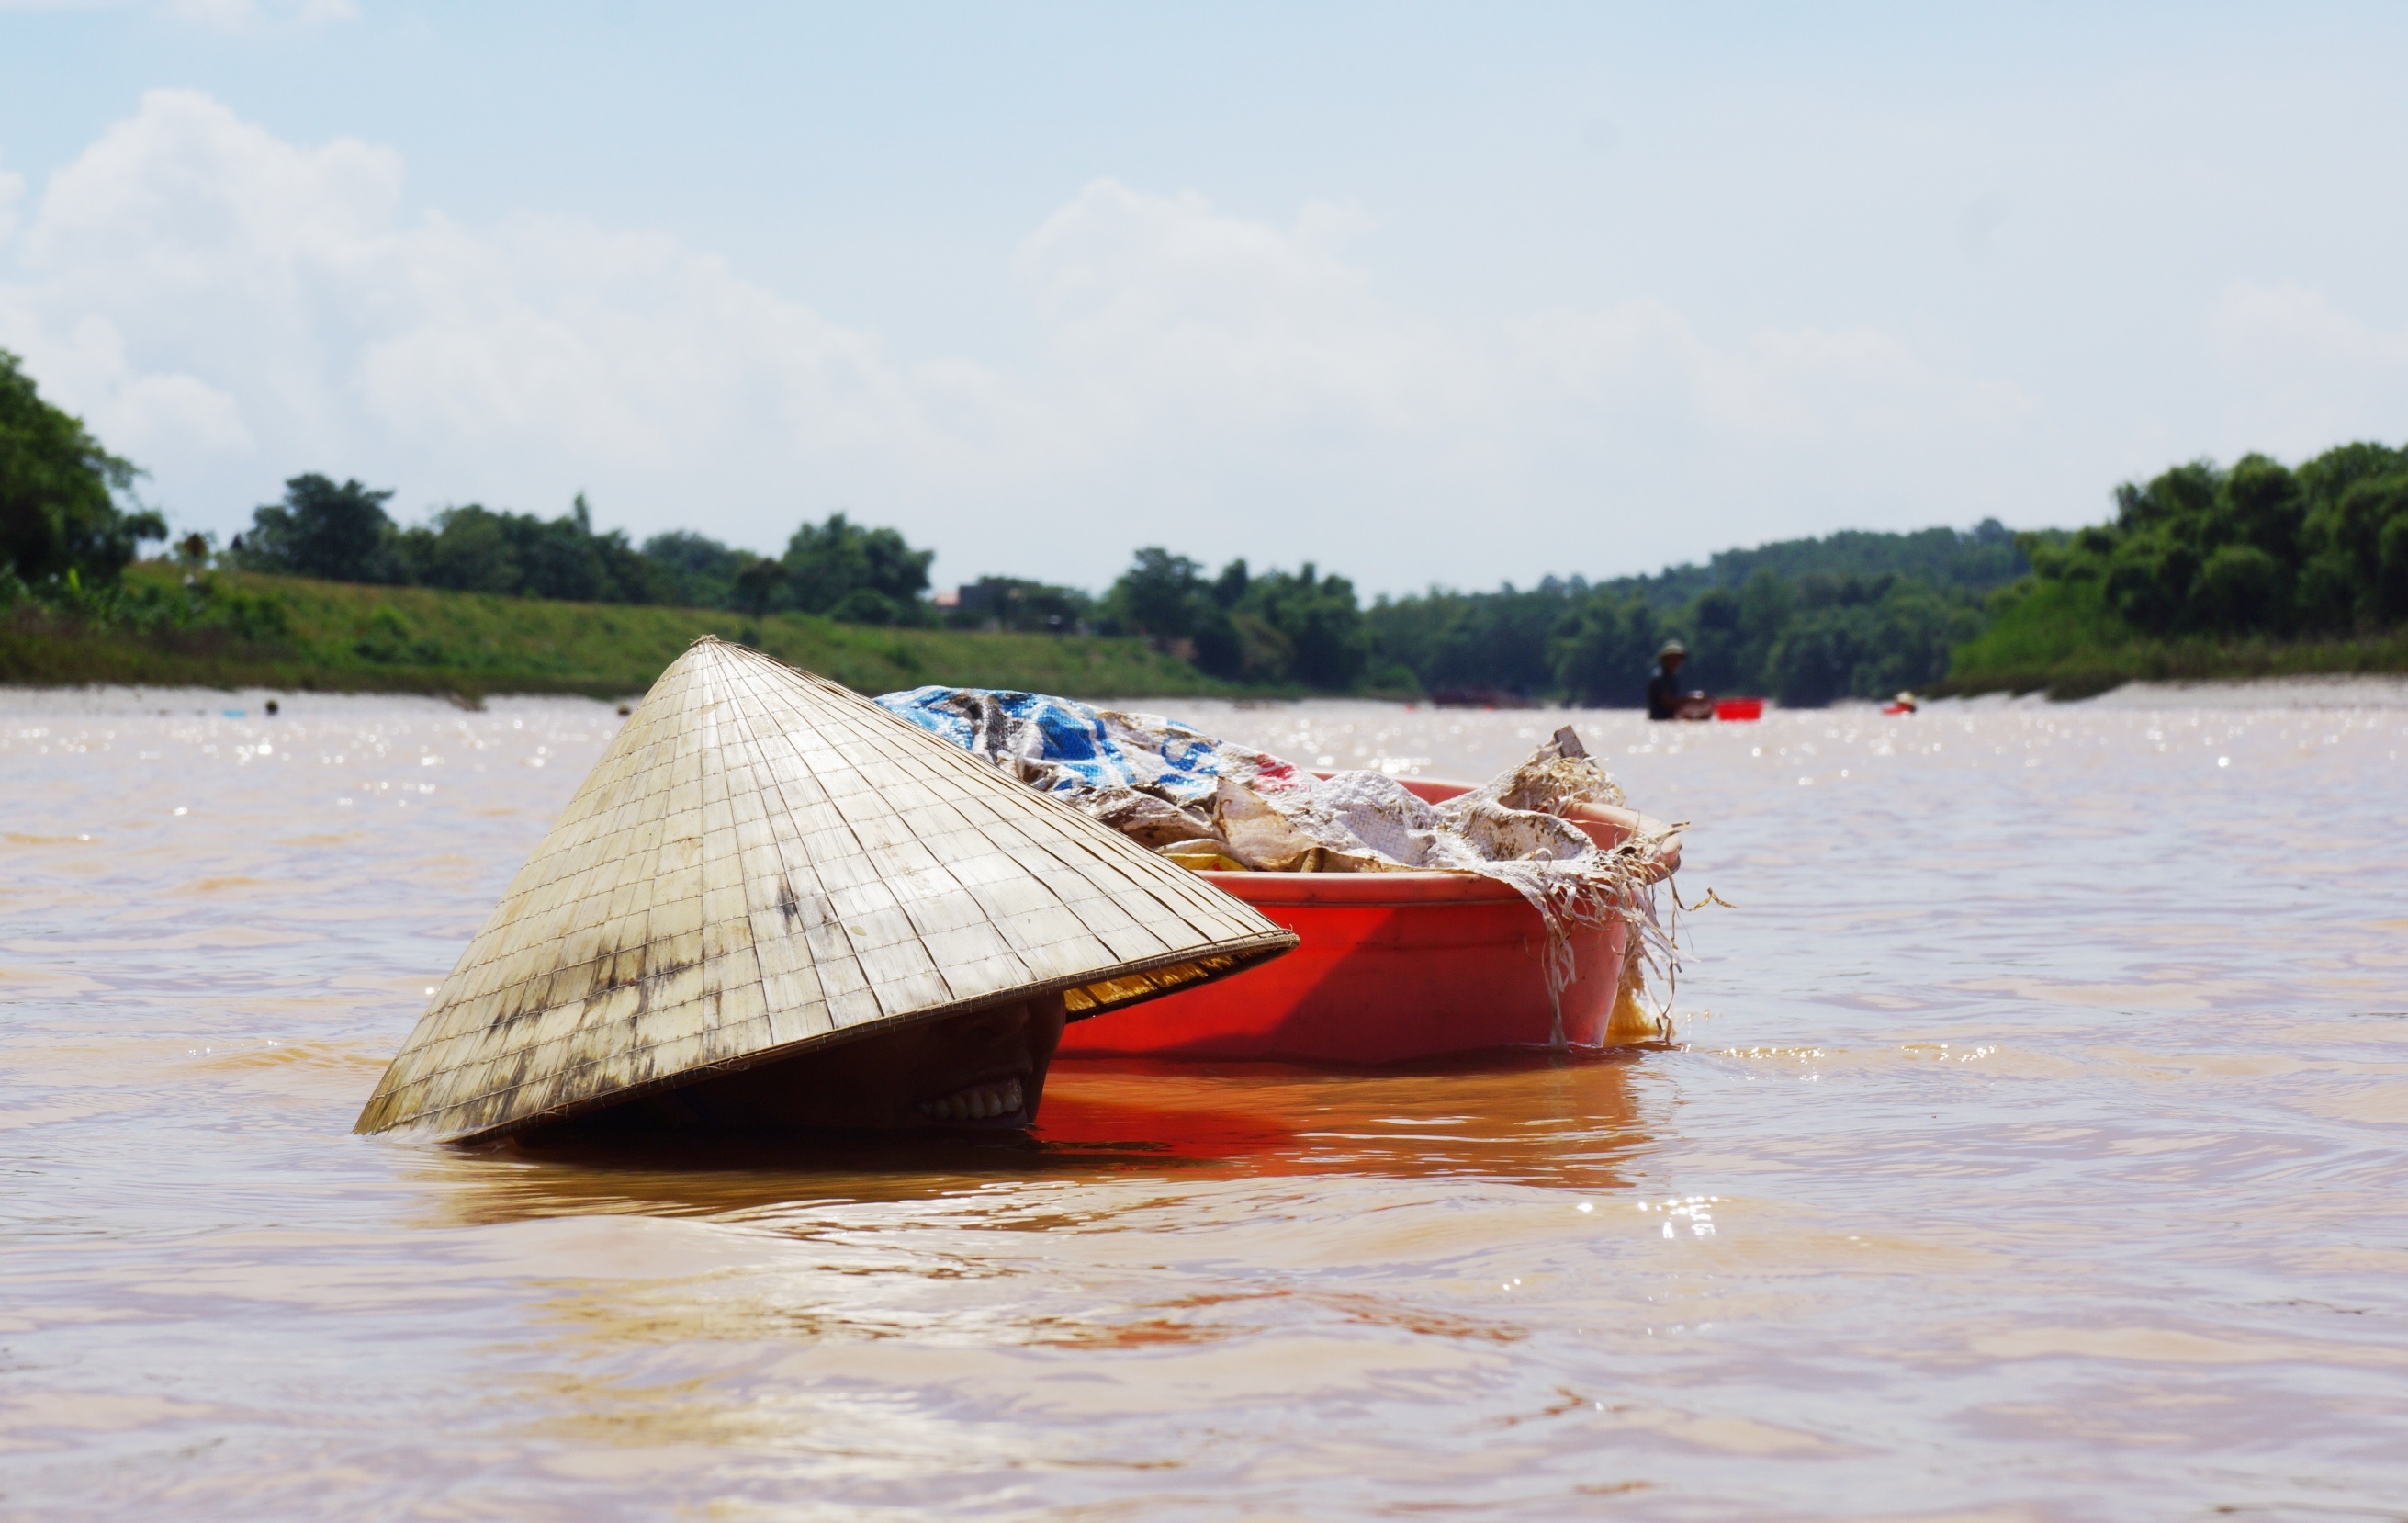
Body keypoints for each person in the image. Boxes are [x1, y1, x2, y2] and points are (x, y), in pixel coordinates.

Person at [1647, 640, 1688, 720]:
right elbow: (1667, 701)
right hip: (1659, 720)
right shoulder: (1659, 677)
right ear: (1665, 659)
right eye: (1673, 658)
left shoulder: (1673, 676)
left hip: (1670, 718)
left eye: (1679, 658)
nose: (1676, 661)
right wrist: (1689, 703)